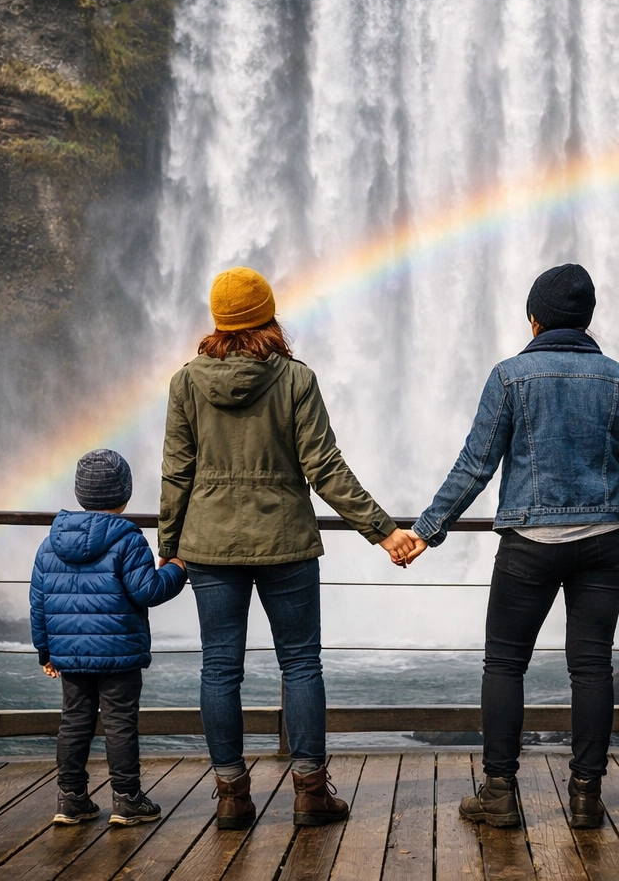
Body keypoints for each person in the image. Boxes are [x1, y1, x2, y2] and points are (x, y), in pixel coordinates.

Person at [159, 267, 419, 830]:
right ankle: (308, 794)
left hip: (209, 545)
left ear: (218, 321)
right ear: (268, 315)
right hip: (286, 545)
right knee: (301, 664)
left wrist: (170, 547)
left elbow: (177, 471)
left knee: (219, 669)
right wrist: (383, 531)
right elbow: (323, 467)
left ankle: (230, 796)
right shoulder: (296, 379)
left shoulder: (185, 382)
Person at [408, 263, 619, 830]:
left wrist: (425, 531)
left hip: (529, 542)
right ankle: (586, 798)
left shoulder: (509, 377)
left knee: (505, 662)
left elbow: (476, 466)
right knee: (592, 666)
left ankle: (499, 793)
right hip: (607, 539)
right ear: (588, 319)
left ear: (534, 320)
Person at [30, 448, 189, 826]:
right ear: (125, 494)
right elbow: (147, 590)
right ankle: (127, 798)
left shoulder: (50, 543)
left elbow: (38, 601)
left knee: (73, 721)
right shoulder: (127, 539)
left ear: (80, 493)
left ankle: (70, 798)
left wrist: (44, 651)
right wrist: (178, 570)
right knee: (119, 722)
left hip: (69, 653)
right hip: (118, 653)